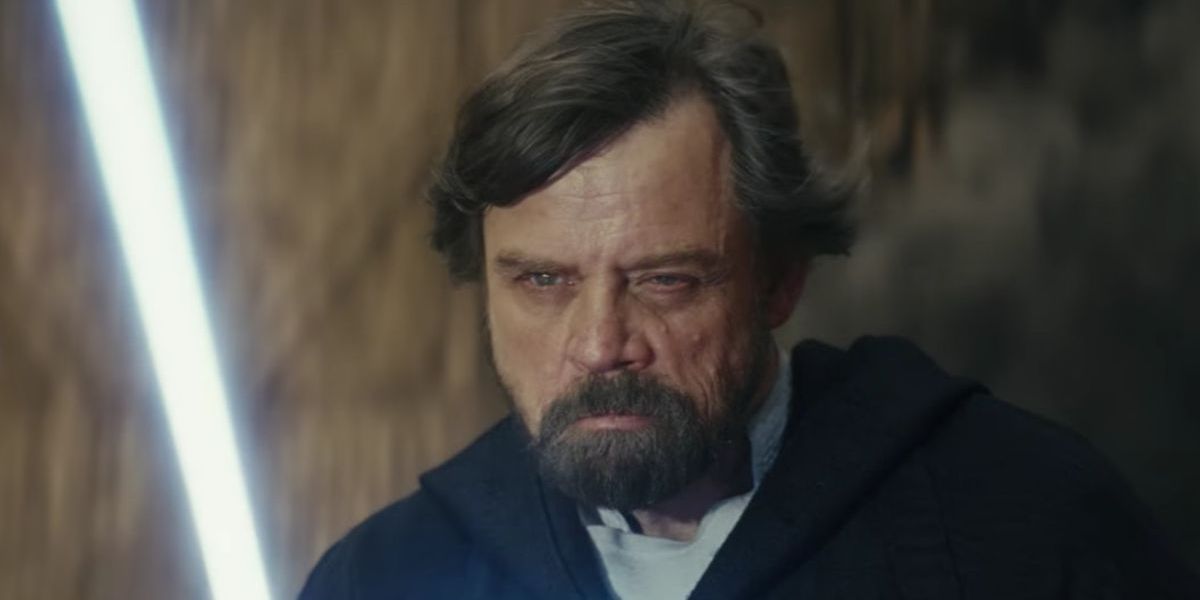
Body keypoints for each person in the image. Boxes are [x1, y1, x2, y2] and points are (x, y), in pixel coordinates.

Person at [299, 1, 1199, 598]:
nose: (601, 344)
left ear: (780, 278)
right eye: (542, 281)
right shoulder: (378, 580)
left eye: (665, 280)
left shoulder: (1023, 527)